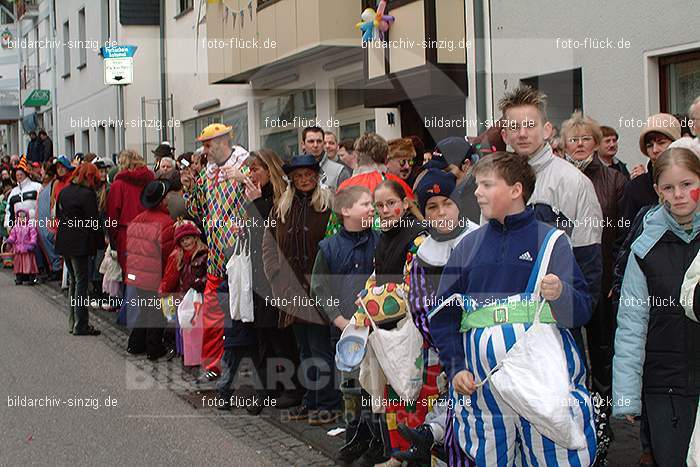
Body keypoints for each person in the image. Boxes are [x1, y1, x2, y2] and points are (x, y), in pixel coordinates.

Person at [430, 151, 596, 465]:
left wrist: (560, 293)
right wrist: (456, 367)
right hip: (482, 387)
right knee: (489, 457)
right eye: (477, 185)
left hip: (541, 380)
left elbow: (583, 311)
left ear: (516, 190)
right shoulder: (468, 245)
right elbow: (443, 314)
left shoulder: (551, 241)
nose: (477, 192)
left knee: (554, 455)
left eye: (486, 185)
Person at [498, 85, 603, 351]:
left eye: (530, 125)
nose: (522, 133)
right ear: (505, 134)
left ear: (547, 130)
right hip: (505, 329)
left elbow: (588, 264)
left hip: (557, 329)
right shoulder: (492, 183)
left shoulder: (574, 182)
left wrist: (572, 315)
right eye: (515, 126)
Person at [613, 147, 700, 467]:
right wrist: (625, 397)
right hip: (665, 384)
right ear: (656, 191)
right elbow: (632, 324)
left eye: (688, 184)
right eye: (668, 187)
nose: (679, 195)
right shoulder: (644, 245)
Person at [399, 169, 478, 466]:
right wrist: (447, 344)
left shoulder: (479, 239)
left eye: (447, 202)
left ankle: (434, 432)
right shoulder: (423, 256)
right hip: (446, 349)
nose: (441, 211)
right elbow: (420, 308)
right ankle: (439, 439)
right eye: (432, 206)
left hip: (485, 343)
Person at [352, 179, 427, 463]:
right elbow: (378, 274)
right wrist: (367, 295)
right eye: (379, 205)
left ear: (405, 203)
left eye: (391, 203)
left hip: (409, 328)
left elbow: (411, 285)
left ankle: (415, 453)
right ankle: (396, 454)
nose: (385, 210)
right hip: (385, 326)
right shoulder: (384, 234)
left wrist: (372, 301)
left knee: (411, 391)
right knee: (391, 394)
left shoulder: (417, 236)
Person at [262, 154, 334, 423]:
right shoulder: (281, 206)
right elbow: (268, 243)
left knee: (320, 349)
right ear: (291, 179)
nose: (304, 180)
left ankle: (326, 403)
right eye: (299, 176)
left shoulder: (329, 203)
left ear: (316, 176)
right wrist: (274, 275)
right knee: (303, 349)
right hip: (291, 290)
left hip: (320, 290)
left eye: (309, 175)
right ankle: (310, 400)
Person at [311, 185, 379, 441]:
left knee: (376, 386)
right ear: (346, 210)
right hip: (346, 332)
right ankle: (354, 436)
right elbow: (319, 287)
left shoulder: (380, 241)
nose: (372, 208)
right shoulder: (329, 248)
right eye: (365, 204)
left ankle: (377, 438)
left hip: (377, 331)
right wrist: (339, 320)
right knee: (350, 386)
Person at [185, 123, 250, 387]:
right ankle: (213, 366)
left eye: (207, 144)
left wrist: (243, 179)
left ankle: (244, 371)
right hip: (216, 259)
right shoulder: (206, 175)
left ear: (223, 142)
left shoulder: (244, 166)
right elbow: (197, 210)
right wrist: (191, 186)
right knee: (212, 316)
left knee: (241, 316)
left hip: (240, 259)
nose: (204, 150)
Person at [240, 149, 301, 411]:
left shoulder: (280, 197)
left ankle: (291, 388)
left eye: (256, 169)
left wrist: (256, 205)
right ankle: (269, 386)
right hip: (256, 272)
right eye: (249, 169)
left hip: (275, 275)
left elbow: (275, 231)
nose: (251, 174)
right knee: (262, 333)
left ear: (270, 170)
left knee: (279, 334)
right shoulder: (254, 197)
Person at [125, 179, 176, 359]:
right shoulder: (166, 223)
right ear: (161, 200)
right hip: (153, 276)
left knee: (146, 310)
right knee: (156, 313)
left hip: (137, 274)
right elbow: (167, 255)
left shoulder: (138, 219)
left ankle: (135, 344)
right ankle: (154, 349)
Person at [55, 163, 105, 335]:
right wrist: (100, 244)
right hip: (79, 243)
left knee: (74, 282)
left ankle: (73, 322)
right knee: (81, 282)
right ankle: (80, 324)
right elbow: (94, 222)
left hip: (64, 241)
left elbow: (58, 216)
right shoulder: (87, 195)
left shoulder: (65, 191)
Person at [619, 114, 681, 241]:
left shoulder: (694, 182)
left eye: (661, 142)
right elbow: (625, 238)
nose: (655, 150)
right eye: (649, 145)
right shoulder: (636, 187)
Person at [159, 219, 208, 360]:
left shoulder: (203, 253)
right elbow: (172, 278)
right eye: (182, 240)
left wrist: (200, 283)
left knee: (196, 326)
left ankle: (196, 354)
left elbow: (207, 275)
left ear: (195, 238)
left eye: (188, 238)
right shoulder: (179, 256)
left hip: (198, 296)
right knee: (183, 324)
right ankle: (185, 352)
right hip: (184, 296)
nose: (186, 242)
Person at [106, 150, 155, 276]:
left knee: (130, 276)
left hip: (127, 234)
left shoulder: (118, 185)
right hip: (149, 231)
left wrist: (113, 242)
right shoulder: (150, 181)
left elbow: (113, 216)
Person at [3, 156, 42, 231]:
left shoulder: (37, 187)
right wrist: (9, 225)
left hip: (35, 227)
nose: (19, 177)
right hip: (18, 230)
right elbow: (9, 211)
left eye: (21, 174)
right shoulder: (13, 192)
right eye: (17, 175)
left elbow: (42, 206)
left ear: (26, 174)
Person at [5, 208, 38, 285]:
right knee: (18, 265)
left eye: (24, 217)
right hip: (18, 250)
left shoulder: (30, 227)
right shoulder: (16, 227)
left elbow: (33, 236)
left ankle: (31, 278)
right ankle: (19, 277)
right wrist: (9, 241)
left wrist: (32, 244)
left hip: (27, 250)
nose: (22, 219)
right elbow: (12, 236)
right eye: (20, 217)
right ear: (17, 218)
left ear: (27, 217)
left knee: (29, 264)